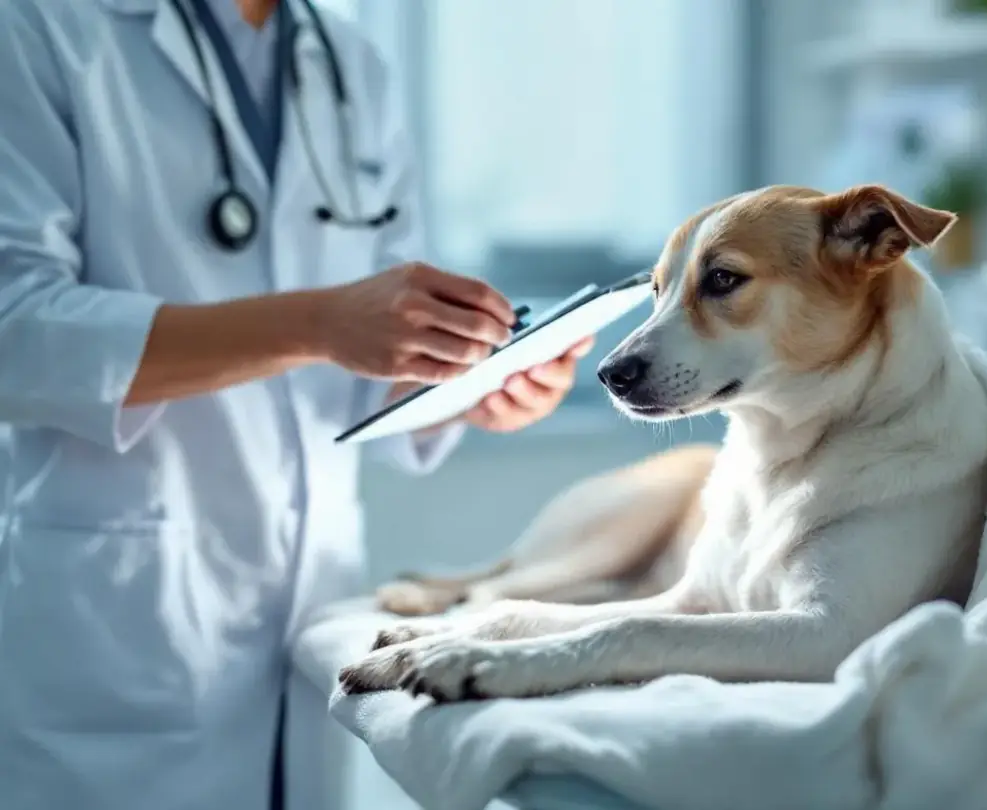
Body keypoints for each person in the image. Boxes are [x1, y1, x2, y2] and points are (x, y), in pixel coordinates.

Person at [0, 1, 592, 809]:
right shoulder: (42, 30)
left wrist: (468, 387)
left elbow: (365, 358)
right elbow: (17, 329)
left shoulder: (347, 65)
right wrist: (316, 323)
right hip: (118, 623)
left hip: (310, 606)